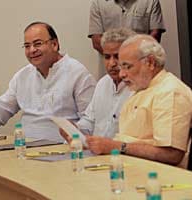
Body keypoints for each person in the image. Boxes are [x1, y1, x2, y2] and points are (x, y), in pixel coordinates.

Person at [0, 22, 96, 142]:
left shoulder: (77, 73)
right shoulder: (23, 76)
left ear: (54, 44)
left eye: (37, 44)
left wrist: (73, 137)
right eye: (27, 46)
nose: (32, 50)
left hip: (62, 152)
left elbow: (90, 122)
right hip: (24, 148)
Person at [62, 34, 192, 166]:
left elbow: (172, 154)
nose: (122, 74)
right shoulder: (141, 88)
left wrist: (115, 146)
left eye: (127, 67)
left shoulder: (169, 92)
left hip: (160, 177)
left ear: (150, 63)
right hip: (128, 168)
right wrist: (90, 142)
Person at [76, 28, 135, 138]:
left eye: (117, 56)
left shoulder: (139, 88)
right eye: (107, 57)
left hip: (122, 152)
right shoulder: (102, 83)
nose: (112, 63)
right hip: (96, 153)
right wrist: (74, 131)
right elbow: (89, 121)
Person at [88, 0, 166, 54]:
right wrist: (118, 58)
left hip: (141, 66)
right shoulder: (98, 3)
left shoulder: (151, 1)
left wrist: (134, 58)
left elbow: (155, 36)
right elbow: (96, 41)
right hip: (111, 70)